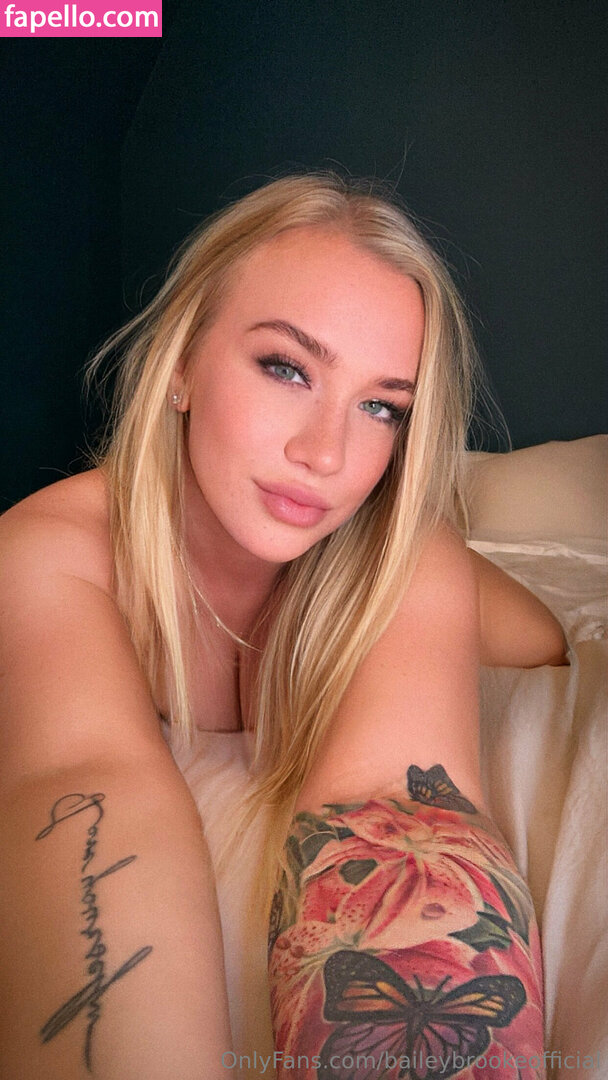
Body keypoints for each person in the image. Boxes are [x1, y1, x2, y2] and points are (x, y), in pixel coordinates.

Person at [0, 174, 567, 1080]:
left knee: (514, 618)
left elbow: (400, 808)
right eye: (286, 368)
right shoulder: (43, 556)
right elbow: (84, 788)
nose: (326, 453)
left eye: (382, 406)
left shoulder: (402, 560)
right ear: (181, 364)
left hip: (469, 587)